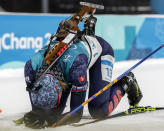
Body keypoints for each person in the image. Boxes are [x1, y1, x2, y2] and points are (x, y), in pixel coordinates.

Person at [23, 8, 143, 130]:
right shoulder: (31, 68)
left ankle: (126, 82)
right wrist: (38, 114)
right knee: (54, 112)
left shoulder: (76, 68)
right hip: (69, 64)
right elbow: (38, 101)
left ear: (60, 87)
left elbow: (76, 114)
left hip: (100, 52)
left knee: (98, 110)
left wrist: (51, 120)